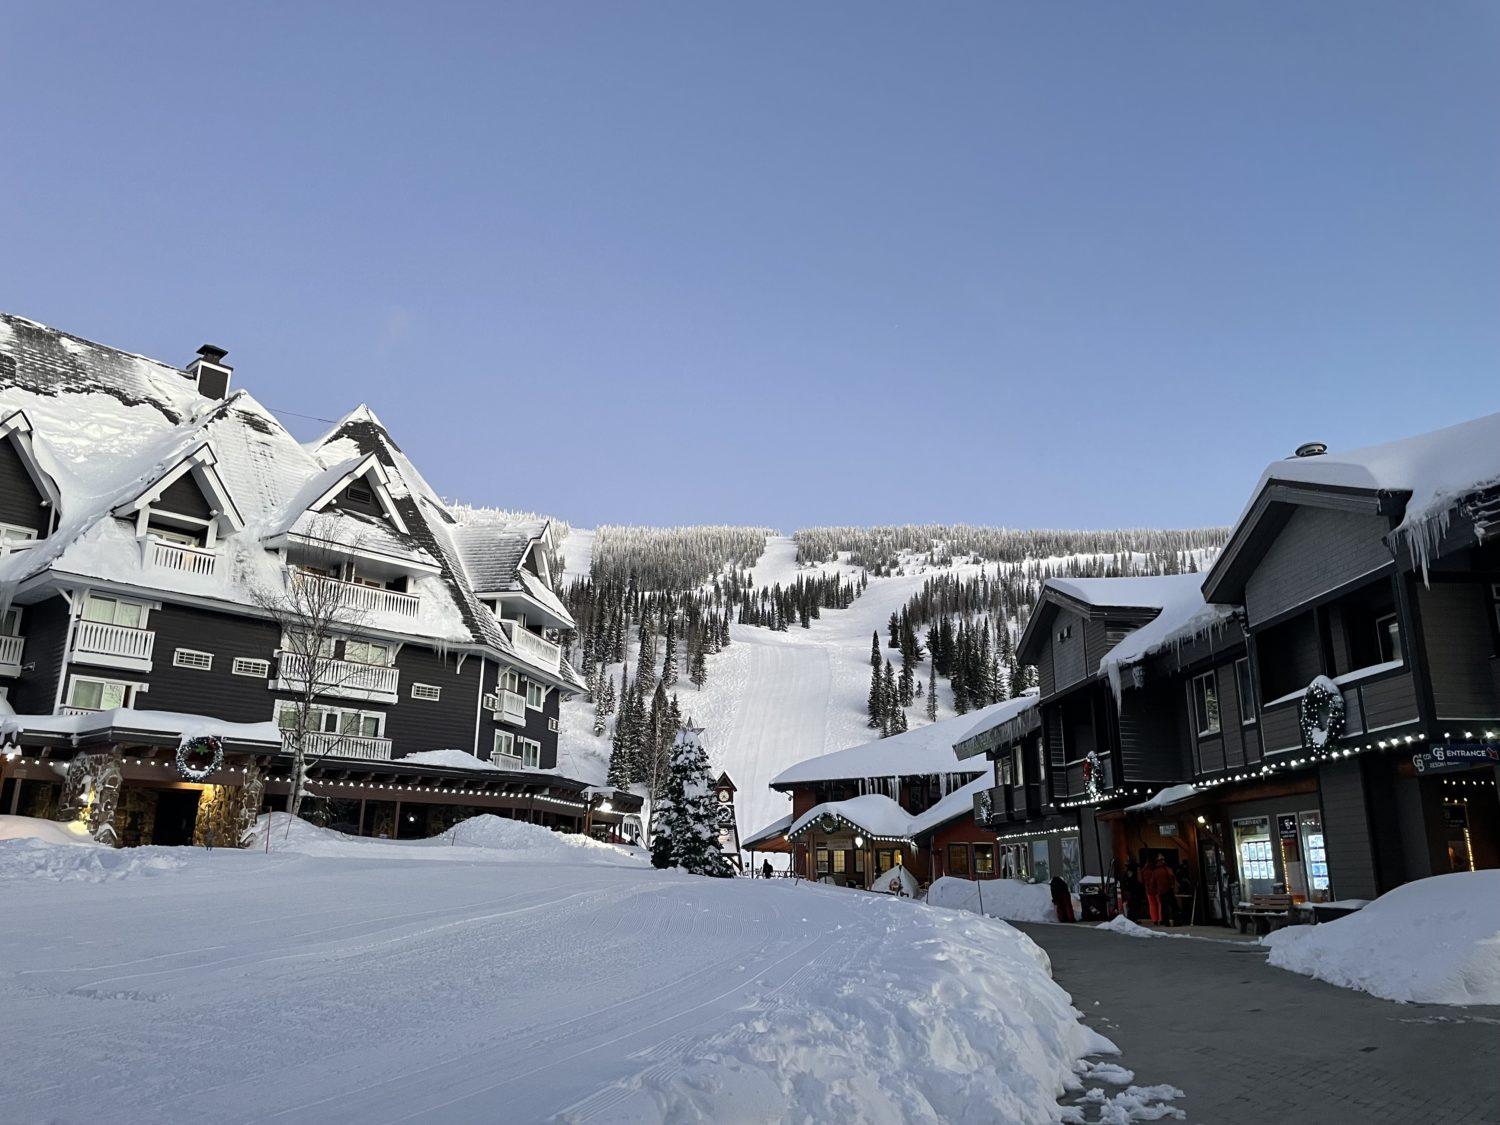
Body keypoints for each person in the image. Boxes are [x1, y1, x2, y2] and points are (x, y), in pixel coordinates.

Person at [1143, 854, 1178, 925]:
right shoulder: (1168, 869)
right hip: (1169, 890)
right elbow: (1172, 877)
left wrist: (1153, 890)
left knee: (1163, 907)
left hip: (1159, 891)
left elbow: (1152, 882)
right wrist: (1173, 887)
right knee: (1173, 906)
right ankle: (1176, 921)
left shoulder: (1154, 871)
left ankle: (1163, 921)